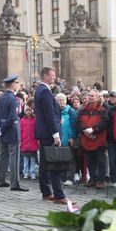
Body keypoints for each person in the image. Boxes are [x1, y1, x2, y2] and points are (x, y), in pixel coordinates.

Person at [34, 67, 67, 204]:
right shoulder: (45, 92)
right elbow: (48, 115)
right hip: (48, 133)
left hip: (44, 132)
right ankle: (59, 194)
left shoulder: (40, 90)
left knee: (45, 163)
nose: (54, 77)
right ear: (45, 76)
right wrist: (56, 134)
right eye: (52, 75)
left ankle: (47, 192)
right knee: (54, 164)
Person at [0, 75, 28, 191]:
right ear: (13, 85)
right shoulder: (14, 99)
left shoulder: (0, 98)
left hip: (3, 131)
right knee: (14, 157)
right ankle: (15, 183)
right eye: (16, 83)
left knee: (3, 155)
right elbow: (13, 116)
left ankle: (1, 180)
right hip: (12, 130)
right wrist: (3, 127)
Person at [77, 89, 109, 189]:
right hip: (86, 140)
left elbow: (104, 123)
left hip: (99, 140)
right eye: (89, 95)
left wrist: (93, 130)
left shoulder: (102, 110)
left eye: (92, 96)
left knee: (100, 161)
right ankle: (93, 179)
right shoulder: (82, 110)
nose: (90, 97)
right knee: (90, 161)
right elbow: (78, 123)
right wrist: (85, 131)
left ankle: (100, 180)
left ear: (97, 97)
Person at [56, 93, 78, 186]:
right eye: (59, 100)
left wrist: (73, 137)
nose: (61, 102)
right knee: (60, 159)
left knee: (70, 159)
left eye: (63, 100)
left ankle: (70, 178)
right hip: (59, 139)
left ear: (66, 101)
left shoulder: (71, 111)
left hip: (69, 139)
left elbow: (75, 126)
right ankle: (62, 177)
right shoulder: (56, 111)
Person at [20, 106, 38, 180]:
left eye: (30, 110)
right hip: (25, 142)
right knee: (25, 159)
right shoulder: (22, 120)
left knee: (33, 159)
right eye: (27, 110)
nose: (28, 112)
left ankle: (32, 173)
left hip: (33, 142)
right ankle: (25, 173)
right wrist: (20, 140)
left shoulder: (35, 120)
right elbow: (20, 131)